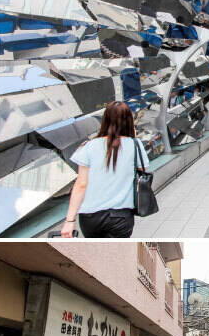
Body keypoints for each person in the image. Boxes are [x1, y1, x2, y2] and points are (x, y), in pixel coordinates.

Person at [61, 101, 149, 238]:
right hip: (121, 215)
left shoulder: (88, 146)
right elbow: (143, 168)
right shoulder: (134, 144)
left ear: (105, 120)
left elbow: (81, 185)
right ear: (129, 120)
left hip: (90, 216)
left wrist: (69, 221)